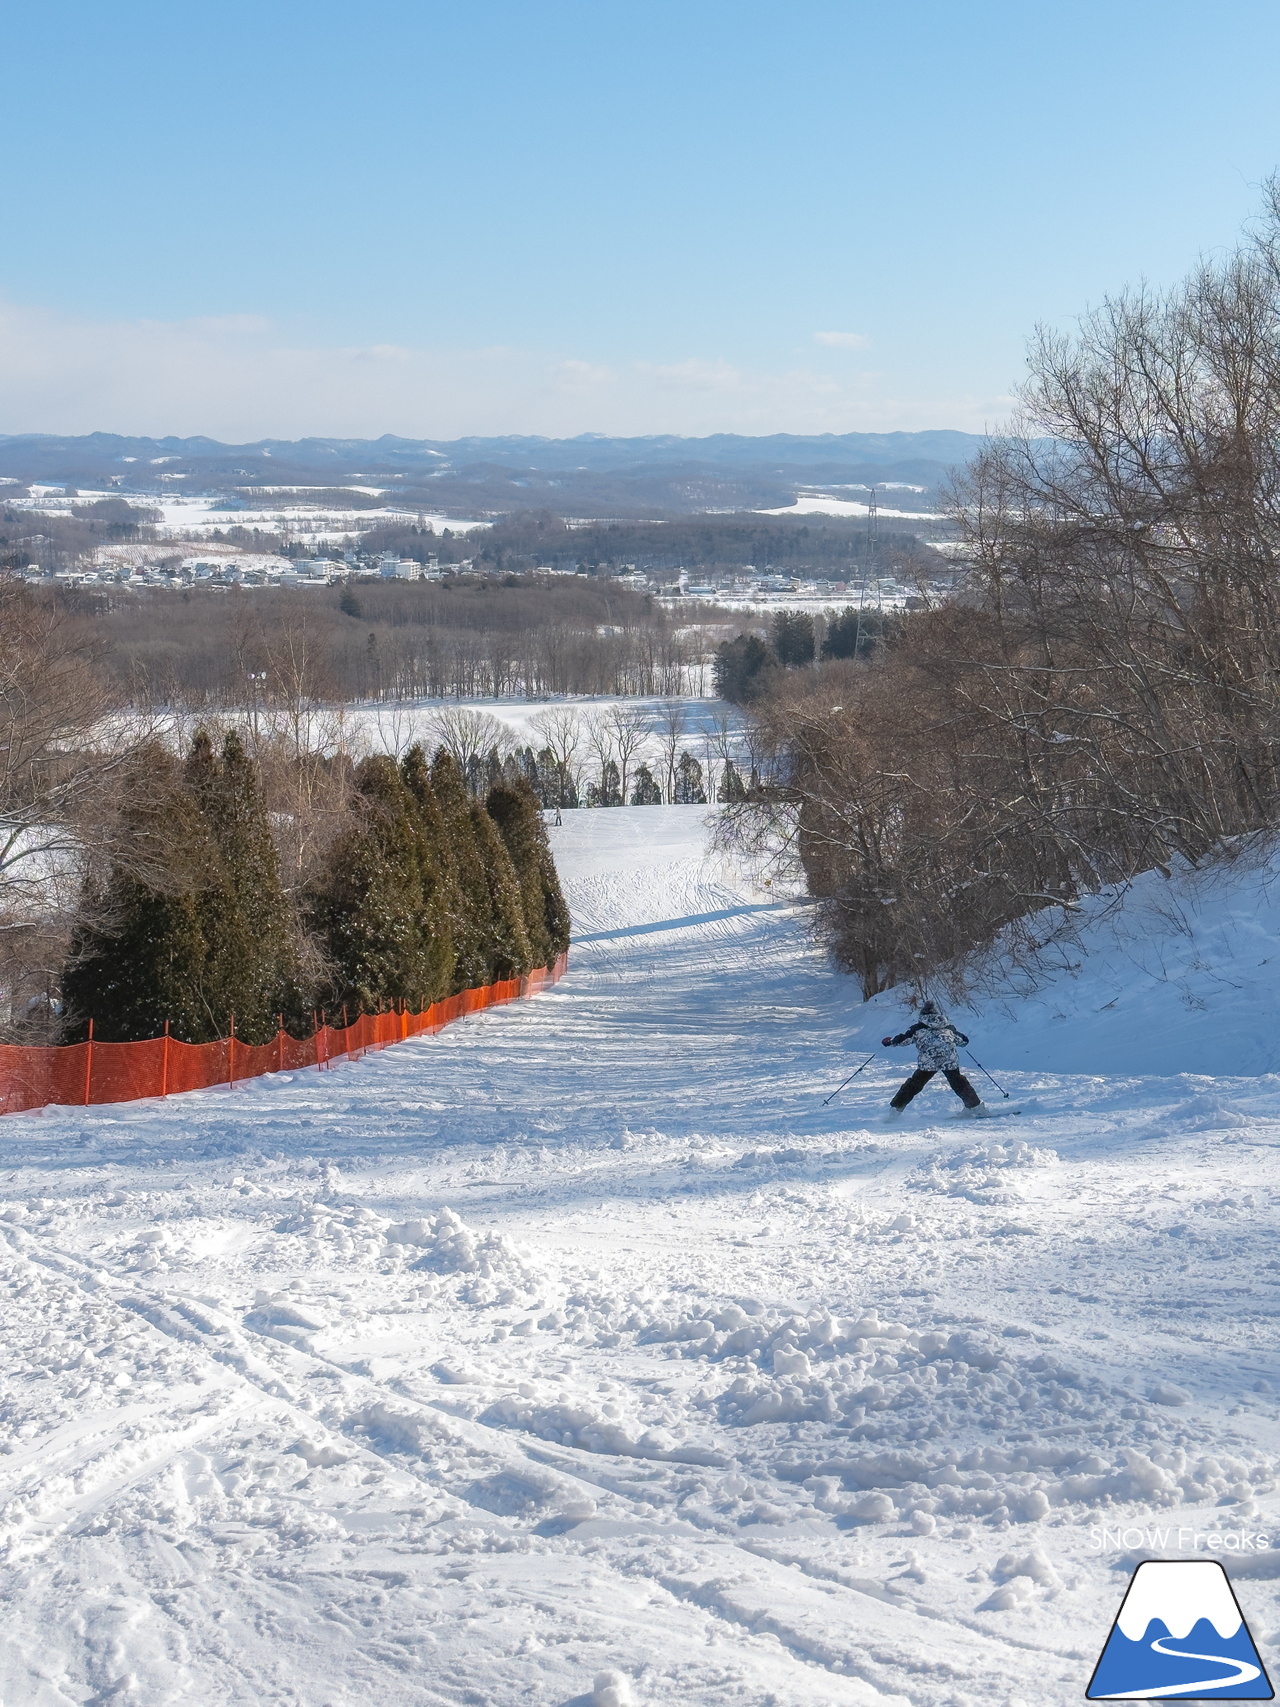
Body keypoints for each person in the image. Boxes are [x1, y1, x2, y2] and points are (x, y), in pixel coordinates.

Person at [881, 1000, 982, 1114]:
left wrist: (889, 1042)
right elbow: (964, 1041)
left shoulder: (917, 1028)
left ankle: (896, 1109)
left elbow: (904, 1040)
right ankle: (975, 1107)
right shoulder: (949, 1028)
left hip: (928, 1061)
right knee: (958, 1082)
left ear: (922, 1015)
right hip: (948, 1059)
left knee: (914, 1084)